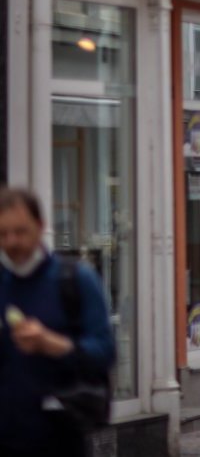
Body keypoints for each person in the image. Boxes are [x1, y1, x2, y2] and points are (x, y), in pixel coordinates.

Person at [0, 188, 115, 457]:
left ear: (40, 227)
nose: (11, 241)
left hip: (60, 440)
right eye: (3, 234)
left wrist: (52, 344)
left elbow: (105, 352)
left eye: (20, 231)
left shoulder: (75, 280)